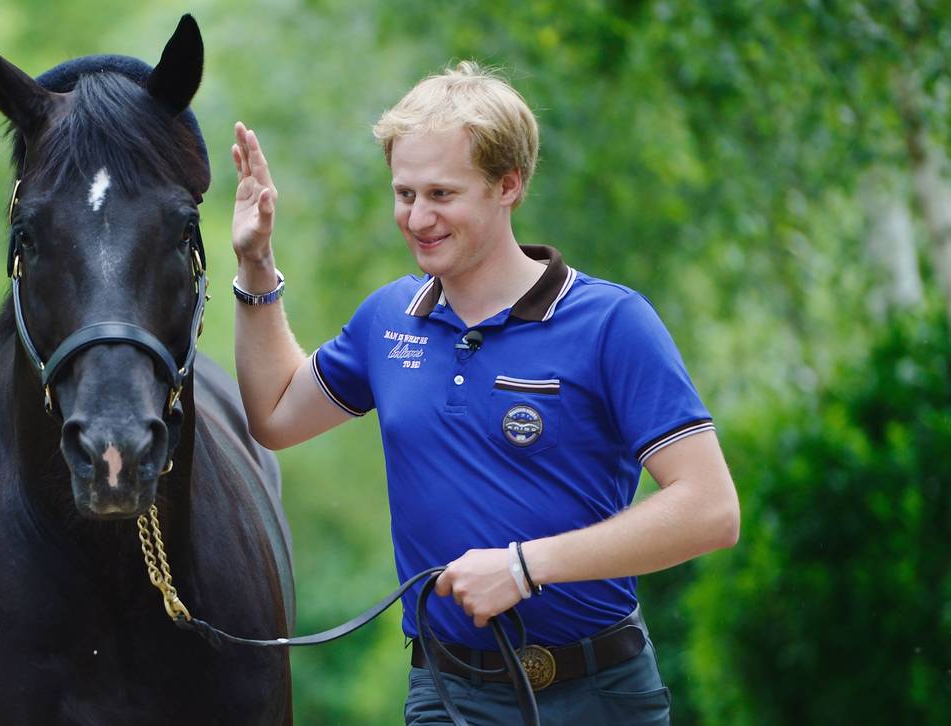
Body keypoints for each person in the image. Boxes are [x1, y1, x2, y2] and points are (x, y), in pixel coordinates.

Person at [229, 62, 739, 725]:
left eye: (442, 193)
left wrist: (526, 567)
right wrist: (255, 264)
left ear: (509, 185)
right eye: (404, 193)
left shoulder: (612, 323)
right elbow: (274, 415)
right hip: (447, 695)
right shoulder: (388, 321)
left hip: (599, 696)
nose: (417, 217)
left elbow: (711, 510)